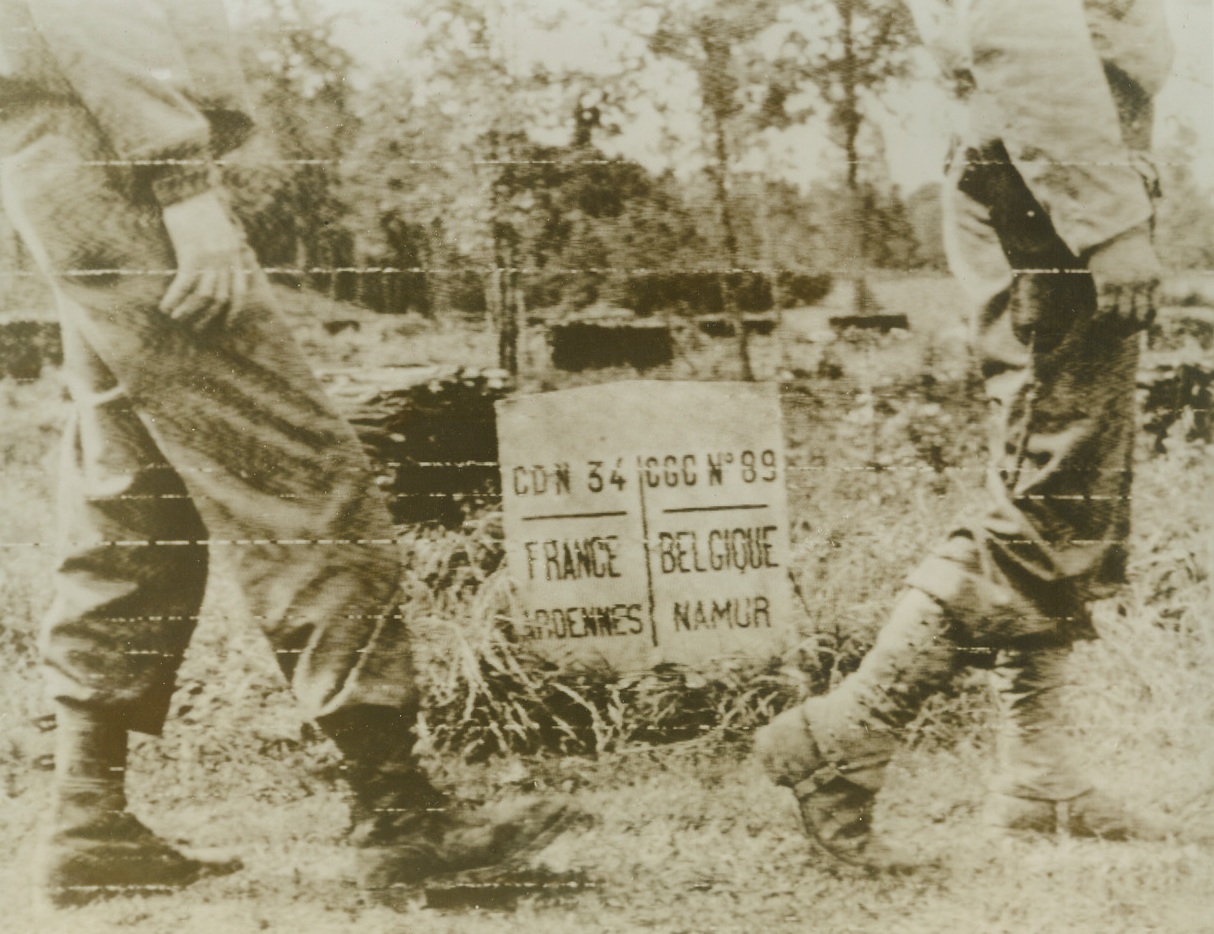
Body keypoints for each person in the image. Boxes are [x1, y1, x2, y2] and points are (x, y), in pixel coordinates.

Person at [0, 0, 566, 909]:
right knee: (299, 471)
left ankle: (87, 815)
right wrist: (182, 187)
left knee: (134, 485)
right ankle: (397, 814)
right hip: (107, 150)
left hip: (62, 148)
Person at [756, 0, 1176, 868]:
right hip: (1050, 189)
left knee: (1063, 485)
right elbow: (1020, 28)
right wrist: (1110, 222)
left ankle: (1041, 776)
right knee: (1047, 495)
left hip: (1046, 175)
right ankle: (844, 734)